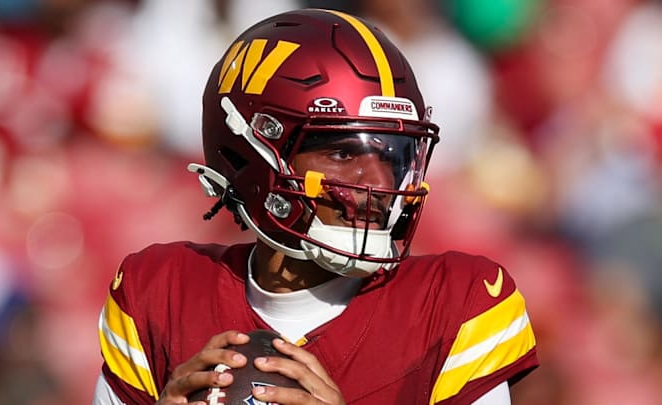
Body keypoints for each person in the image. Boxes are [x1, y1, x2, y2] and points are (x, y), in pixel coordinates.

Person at [93, 8, 538, 405]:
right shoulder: (159, 292)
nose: (379, 184)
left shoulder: (454, 303)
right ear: (250, 153)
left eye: (392, 155)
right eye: (343, 154)